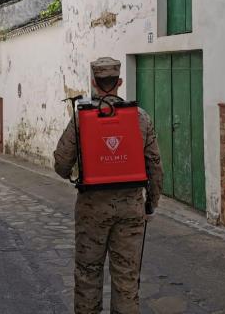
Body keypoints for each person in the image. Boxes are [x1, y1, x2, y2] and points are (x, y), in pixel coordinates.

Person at [54, 57, 163, 314]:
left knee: (88, 274)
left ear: (93, 82)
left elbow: (60, 164)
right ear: (120, 82)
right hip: (131, 209)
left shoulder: (83, 118)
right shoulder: (141, 118)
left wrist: (77, 171)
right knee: (126, 277)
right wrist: (150, 204)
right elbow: (155, 167)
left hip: (92, 208)